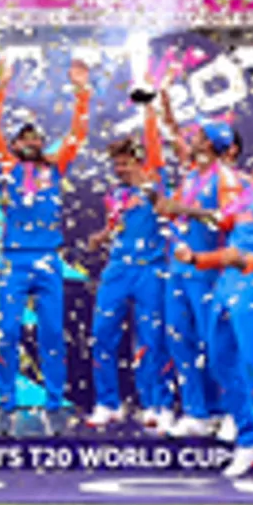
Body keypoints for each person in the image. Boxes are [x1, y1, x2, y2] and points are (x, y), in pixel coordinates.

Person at [174, 139, 253, 482]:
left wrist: (243, 261)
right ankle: (249, 440)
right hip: (227, 282)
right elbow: (227, 237)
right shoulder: (248, 191)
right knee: (220, 361)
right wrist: (197, 258)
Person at [0, 57, 92, 436]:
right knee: (8, 332)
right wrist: (2, 88)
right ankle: (6, 401)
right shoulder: (5, 167)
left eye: (36, 138)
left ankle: (54, 401)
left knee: (50, 331)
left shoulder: (55, 167)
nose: (32, 142)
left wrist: (82, 93)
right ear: (14, 145)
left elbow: (78, 135)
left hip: (47, 258)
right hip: (14, 260)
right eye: (24, 138)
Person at [156, 86, 243, 437]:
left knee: (217, 345)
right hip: (178, 269)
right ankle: (196, 412)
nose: (192, 139)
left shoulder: (226, 177)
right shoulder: (193, 172)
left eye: (199, 136)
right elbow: (175, 137)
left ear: (211, 144)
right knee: (180, 340)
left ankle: (232, 412)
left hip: (208, 271)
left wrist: (183, 209)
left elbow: (229, 219)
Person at [85, 108, 168, 429]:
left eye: (125, 163)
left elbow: (163, 210)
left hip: (151, 269)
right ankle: (108, 404)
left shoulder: (156, 184)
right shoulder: (115, 195)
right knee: (101, 335)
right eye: (116, 164)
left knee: (150, 338)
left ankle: (156, 404)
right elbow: (115, 227)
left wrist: (148, 107)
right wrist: (100, 237)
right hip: (117, 269)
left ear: (139, 161)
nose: (120, 169)